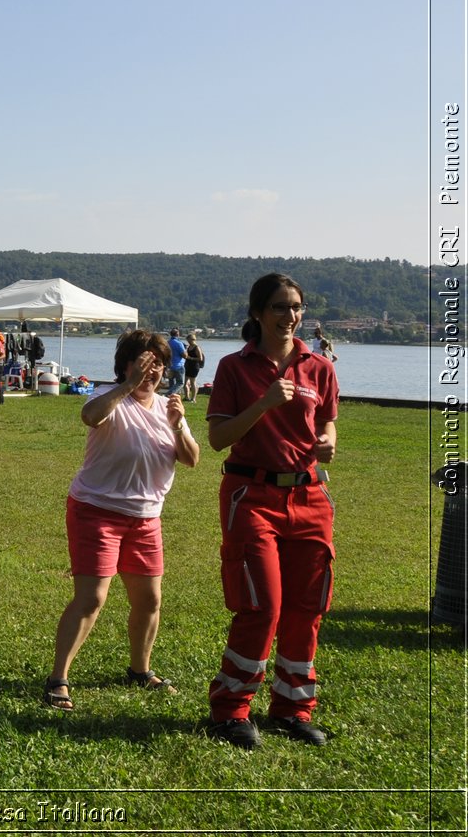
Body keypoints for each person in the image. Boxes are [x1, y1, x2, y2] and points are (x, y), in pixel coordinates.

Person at [203, 273, 338, 750]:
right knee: (262, 604)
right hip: (252, 496)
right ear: (258, 313)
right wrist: (263, 403)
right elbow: (218, 439)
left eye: (296, 307)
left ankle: (292, 708)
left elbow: (327, 424)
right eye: (280, 307)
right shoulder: (234, 368)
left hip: (310, 498)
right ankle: (229, 711)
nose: (290, 315)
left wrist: (328, 443)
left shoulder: (318, 366)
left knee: (307, 608)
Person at [42, 331, 201, 711]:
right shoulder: (107, 396)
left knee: (149, 599)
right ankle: (57, 679)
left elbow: (192, 459)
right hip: (97, 511)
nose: (153, 370)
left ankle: (139, 671)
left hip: (146, 518)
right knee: (92, 598)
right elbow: (89, 416)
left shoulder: (167, 407)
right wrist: (128, 386)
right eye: (145, 362)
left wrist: (179, 425)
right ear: (126, 365)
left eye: (159, 364)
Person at [184, 331, 206, 402]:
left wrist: (191, 358)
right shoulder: (189, 347)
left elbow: (200, 358)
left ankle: (193, 398)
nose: (187, 341)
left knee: (192, 382)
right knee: (186, 382)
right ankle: (187, 397)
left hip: (194, 366)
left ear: (192, 339)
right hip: (188, 365)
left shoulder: (197, 348)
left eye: (188, 340)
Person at [167, 328, 187, 396]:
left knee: (171, 382)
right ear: (178, 334)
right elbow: (184, 356)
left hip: (170, 365)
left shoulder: (167, 342)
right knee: (180, 383)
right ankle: (169, 394)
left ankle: (171, 396)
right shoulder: (179, 343)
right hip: (178, 365)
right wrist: (185, 349)